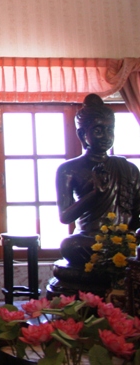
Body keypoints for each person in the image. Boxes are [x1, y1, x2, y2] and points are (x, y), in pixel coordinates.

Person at [56, 93, 140, 266]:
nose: (106, 136)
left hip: (126, 240)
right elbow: (65, 217)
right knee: (70, 246)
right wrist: (95, 194)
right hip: (91, 240)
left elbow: (137, 211)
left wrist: (132, 237)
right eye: (98, 130)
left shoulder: (129, 169)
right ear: (82, 134)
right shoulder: (69, 169)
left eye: (110, 130)